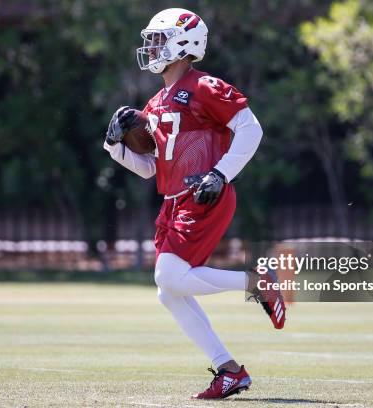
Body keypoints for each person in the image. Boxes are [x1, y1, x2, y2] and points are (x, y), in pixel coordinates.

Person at [104, 8, 286, 399]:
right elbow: (150, 169)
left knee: (168, 278)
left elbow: (251, 129)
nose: (151, 47)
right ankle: (229, 370)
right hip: (172, 201)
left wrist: (220, 174)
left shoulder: (204, 86)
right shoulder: (154, 103)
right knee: (168, 292)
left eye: (158, 39)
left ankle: (258, 285)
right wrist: (113, 146)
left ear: (184, 43)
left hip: (204, 194)